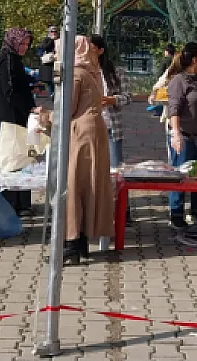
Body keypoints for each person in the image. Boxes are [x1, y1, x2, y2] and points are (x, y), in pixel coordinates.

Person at [64, 36, 115, 264]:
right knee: (88, 186)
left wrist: (45, 118)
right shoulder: (91, 72)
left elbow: (68, 109)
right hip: (93, 132)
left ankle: (71, 243)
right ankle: (82, 239)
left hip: (81, 135)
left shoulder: (76, 74)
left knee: (74, 187)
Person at [0, 28, 38, 214]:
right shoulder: (8, 60)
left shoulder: (12, 58)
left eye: (27, 44)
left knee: (18, 156)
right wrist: (29, 107)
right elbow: (11, 91)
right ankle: (10, 202)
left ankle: (19, 202)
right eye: (22, 43)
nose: (25, 47)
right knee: (10, 158)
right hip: (9, 117)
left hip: (15, 115)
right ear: (13, 42)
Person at [167, 42, 197, 228]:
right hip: (184, 137)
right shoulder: (178, 81)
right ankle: (176, 213)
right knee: (180, 176)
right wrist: (176, 134)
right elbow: (174, 110)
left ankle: (196, 210)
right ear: (195, 59)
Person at [90, 35, 132, 168]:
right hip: (89, 127)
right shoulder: (82, 72)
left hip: (111, 127)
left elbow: (128, 97)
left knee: (115, 168)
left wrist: (111, 100)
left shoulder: (115, 72)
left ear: (100, 50)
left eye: (91, 49)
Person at [38, 26, 59, 100]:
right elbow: (45, 47)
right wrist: (51, 40)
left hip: (56, 62)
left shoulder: (59, 40)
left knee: (57, 79)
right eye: (52, 32)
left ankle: (55, 94)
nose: (54, 33)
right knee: (49, 81)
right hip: (48, 64)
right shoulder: (47, 39)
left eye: (55, 32)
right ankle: (52, 94)